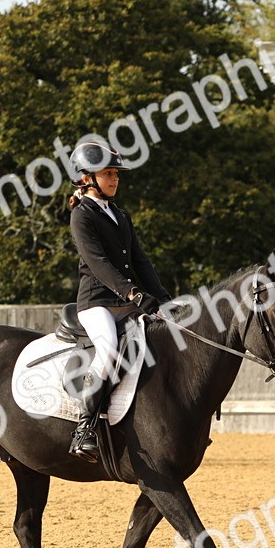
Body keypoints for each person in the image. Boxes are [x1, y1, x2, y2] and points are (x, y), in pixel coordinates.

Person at [67, 141, 171, 463]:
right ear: (86, 177)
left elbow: (141, 262)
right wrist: (132, 293)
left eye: (116, 174)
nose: (114, 179)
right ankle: (85, 427)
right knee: (110, 348)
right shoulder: (81, 216)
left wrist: (164, 299)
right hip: (96, 303)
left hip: (126, 302)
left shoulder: (121, 215)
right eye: (108, 173)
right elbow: (98, 263)